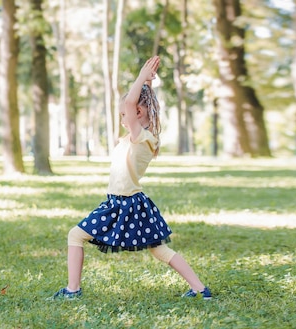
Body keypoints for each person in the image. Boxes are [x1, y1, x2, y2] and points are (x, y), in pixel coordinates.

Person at [49, 56, 211, 301]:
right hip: (125, 202)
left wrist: (139, 79)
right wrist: (147, 83)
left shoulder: (139, 136)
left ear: (136, 112)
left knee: (76, 235)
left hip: (123, 203)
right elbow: (136, 103)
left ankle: (73, 290)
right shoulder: (142, 136)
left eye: (125, 114)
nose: (123, 118)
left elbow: (130, 103)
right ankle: (201, 289)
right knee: (160, 250)